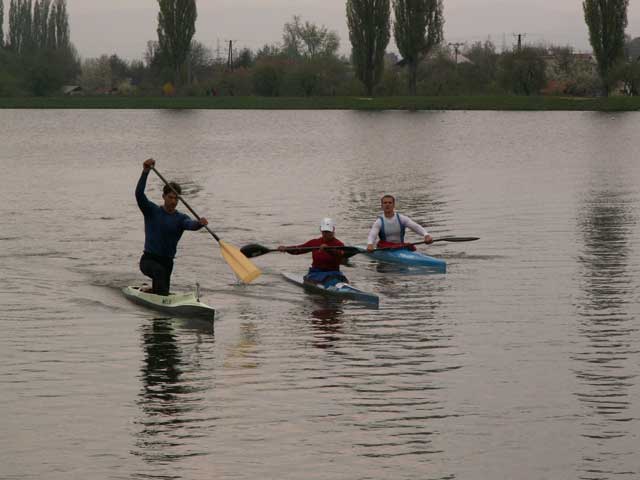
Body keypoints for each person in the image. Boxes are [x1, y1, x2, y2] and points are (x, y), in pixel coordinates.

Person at [136, 158, 208, 295]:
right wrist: (145, 172)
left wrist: (199, 223)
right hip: (149, 260)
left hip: (167, 263)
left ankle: (152, 292)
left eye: (176, 198)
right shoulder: (151, 211)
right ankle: (156, 292)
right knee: (159, 273)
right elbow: (139, 195)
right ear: (163, 196)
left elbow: (190, 225)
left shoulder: (181, 218)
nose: (173, 201)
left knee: (162, 291)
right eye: (170, 197)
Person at [278, 218, 348, 286]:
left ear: (333, 229)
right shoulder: (315, 242)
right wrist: (286, 248)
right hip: (316, 273)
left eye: (328, 231)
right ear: (321, 229)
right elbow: (299, 249)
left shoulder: (339, 244)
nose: (326, 234)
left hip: (334, 273)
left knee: (338, 279)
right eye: (324, 231)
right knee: (329, 280)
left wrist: (328, 250)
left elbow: (341, 256)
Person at [366, 195, 433, 252]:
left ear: (393, 205)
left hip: (400, 248)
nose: (387, 204)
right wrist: (370, 244)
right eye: (385, 203)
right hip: (385, 249)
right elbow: (372, 235)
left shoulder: (401, 218)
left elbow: (415, 227)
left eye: (390, 202)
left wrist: (426, 235)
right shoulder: (379, 222)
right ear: (382, 205)